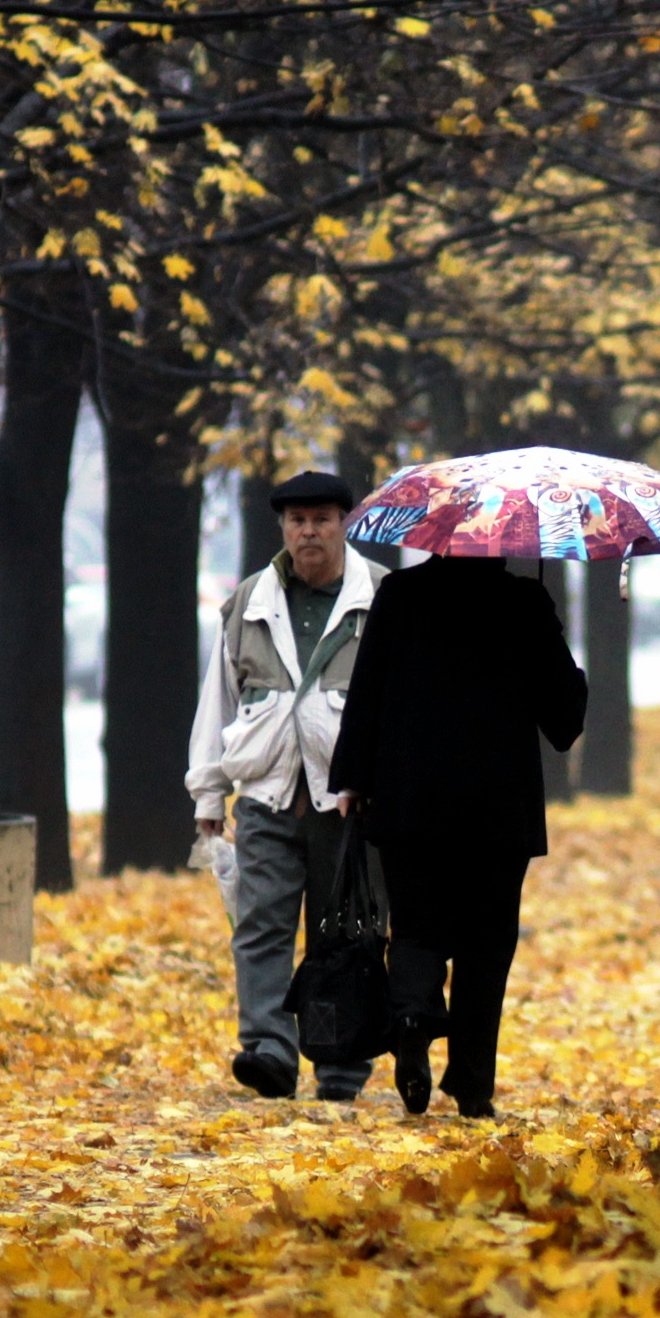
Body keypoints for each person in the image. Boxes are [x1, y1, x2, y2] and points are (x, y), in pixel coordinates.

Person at [329, 556, 587, 1118]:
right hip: (498, 809)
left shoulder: (399, 594)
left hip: (409, 800)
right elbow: (565, 722)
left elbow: (366, 689)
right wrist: (558, 648)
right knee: (486, 946)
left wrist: (351, 778)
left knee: (417, 929)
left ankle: (415, 1016)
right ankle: (472, 1088)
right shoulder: (524, 602)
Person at [187, 472, 388, 1102]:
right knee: (260, 924)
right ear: (283, 527)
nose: (309, 531)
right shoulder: (250, 599)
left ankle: (340, 1062)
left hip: (351, 805)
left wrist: (383, 783)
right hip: (268, 797)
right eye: (298, 520)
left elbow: (399, 707)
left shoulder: (381, 597)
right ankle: (269, 1048)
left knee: (346, 934)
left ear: (343, 524)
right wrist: (208, 795)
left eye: (322, 519)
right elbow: (217, 701)